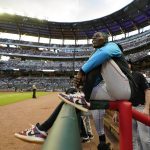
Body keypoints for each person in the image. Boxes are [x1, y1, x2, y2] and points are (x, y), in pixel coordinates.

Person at [58, 31, 138, 113]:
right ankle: (83, 98)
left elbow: (105, 53)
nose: (93, 38)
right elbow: (96, 78)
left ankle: (84, 98)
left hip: (126, 88)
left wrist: (81, 72)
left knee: (100, 59)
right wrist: (82, 82)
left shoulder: (113, 45)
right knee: (74, 91)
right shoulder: (98, 53)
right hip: (112, 91)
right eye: (93, 37)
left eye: (97, 36)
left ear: (106, 39)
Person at [14, 88, 93, 144]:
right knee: (71, 103)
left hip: (95, 103)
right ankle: (84, 135)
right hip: (91, 101)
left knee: (67, 102)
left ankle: (42, 129)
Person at [113, 60, 150, 150]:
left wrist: (147, 108)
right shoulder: (120, 79)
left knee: (145, 139)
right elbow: (118, 97)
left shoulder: (138, 75)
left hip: (140, 108)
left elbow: (147, 91)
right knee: (133, 139)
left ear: (129, 65)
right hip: (127, 111)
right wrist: (115, 112)